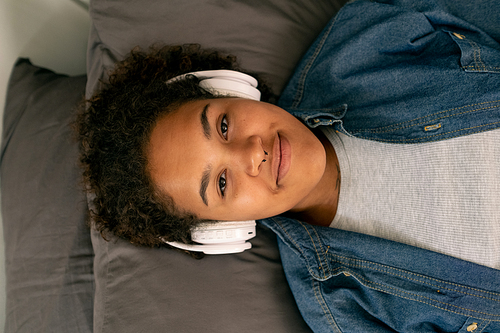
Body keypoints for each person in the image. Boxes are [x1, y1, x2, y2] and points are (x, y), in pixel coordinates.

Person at [77, 0, 500, 330]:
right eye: (222, 184)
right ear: (221, 231)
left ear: (231, 88)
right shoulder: (340, 305)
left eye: (224, 124)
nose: (252, 153)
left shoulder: (361, 50)